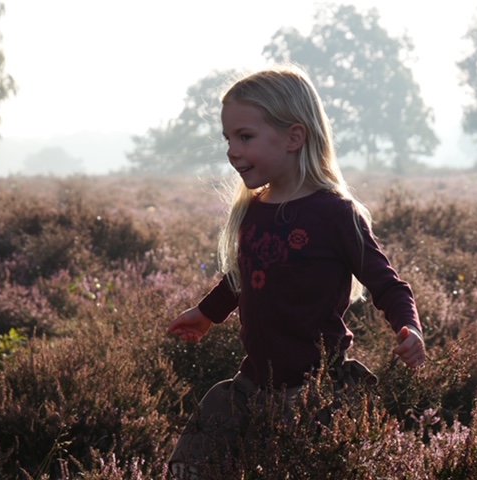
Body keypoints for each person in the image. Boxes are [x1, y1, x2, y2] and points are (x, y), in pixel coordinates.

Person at [167, 64, 425, 477]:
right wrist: (205, 314)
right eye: (228, 138)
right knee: (196, 463)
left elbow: (389, 285)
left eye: (245, 136)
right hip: (253, 385)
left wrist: (409, 328)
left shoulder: (335, 214)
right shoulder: (252, 210)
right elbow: (243, 276)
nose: (232, 150)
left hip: (316, 391)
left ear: (293, 136)